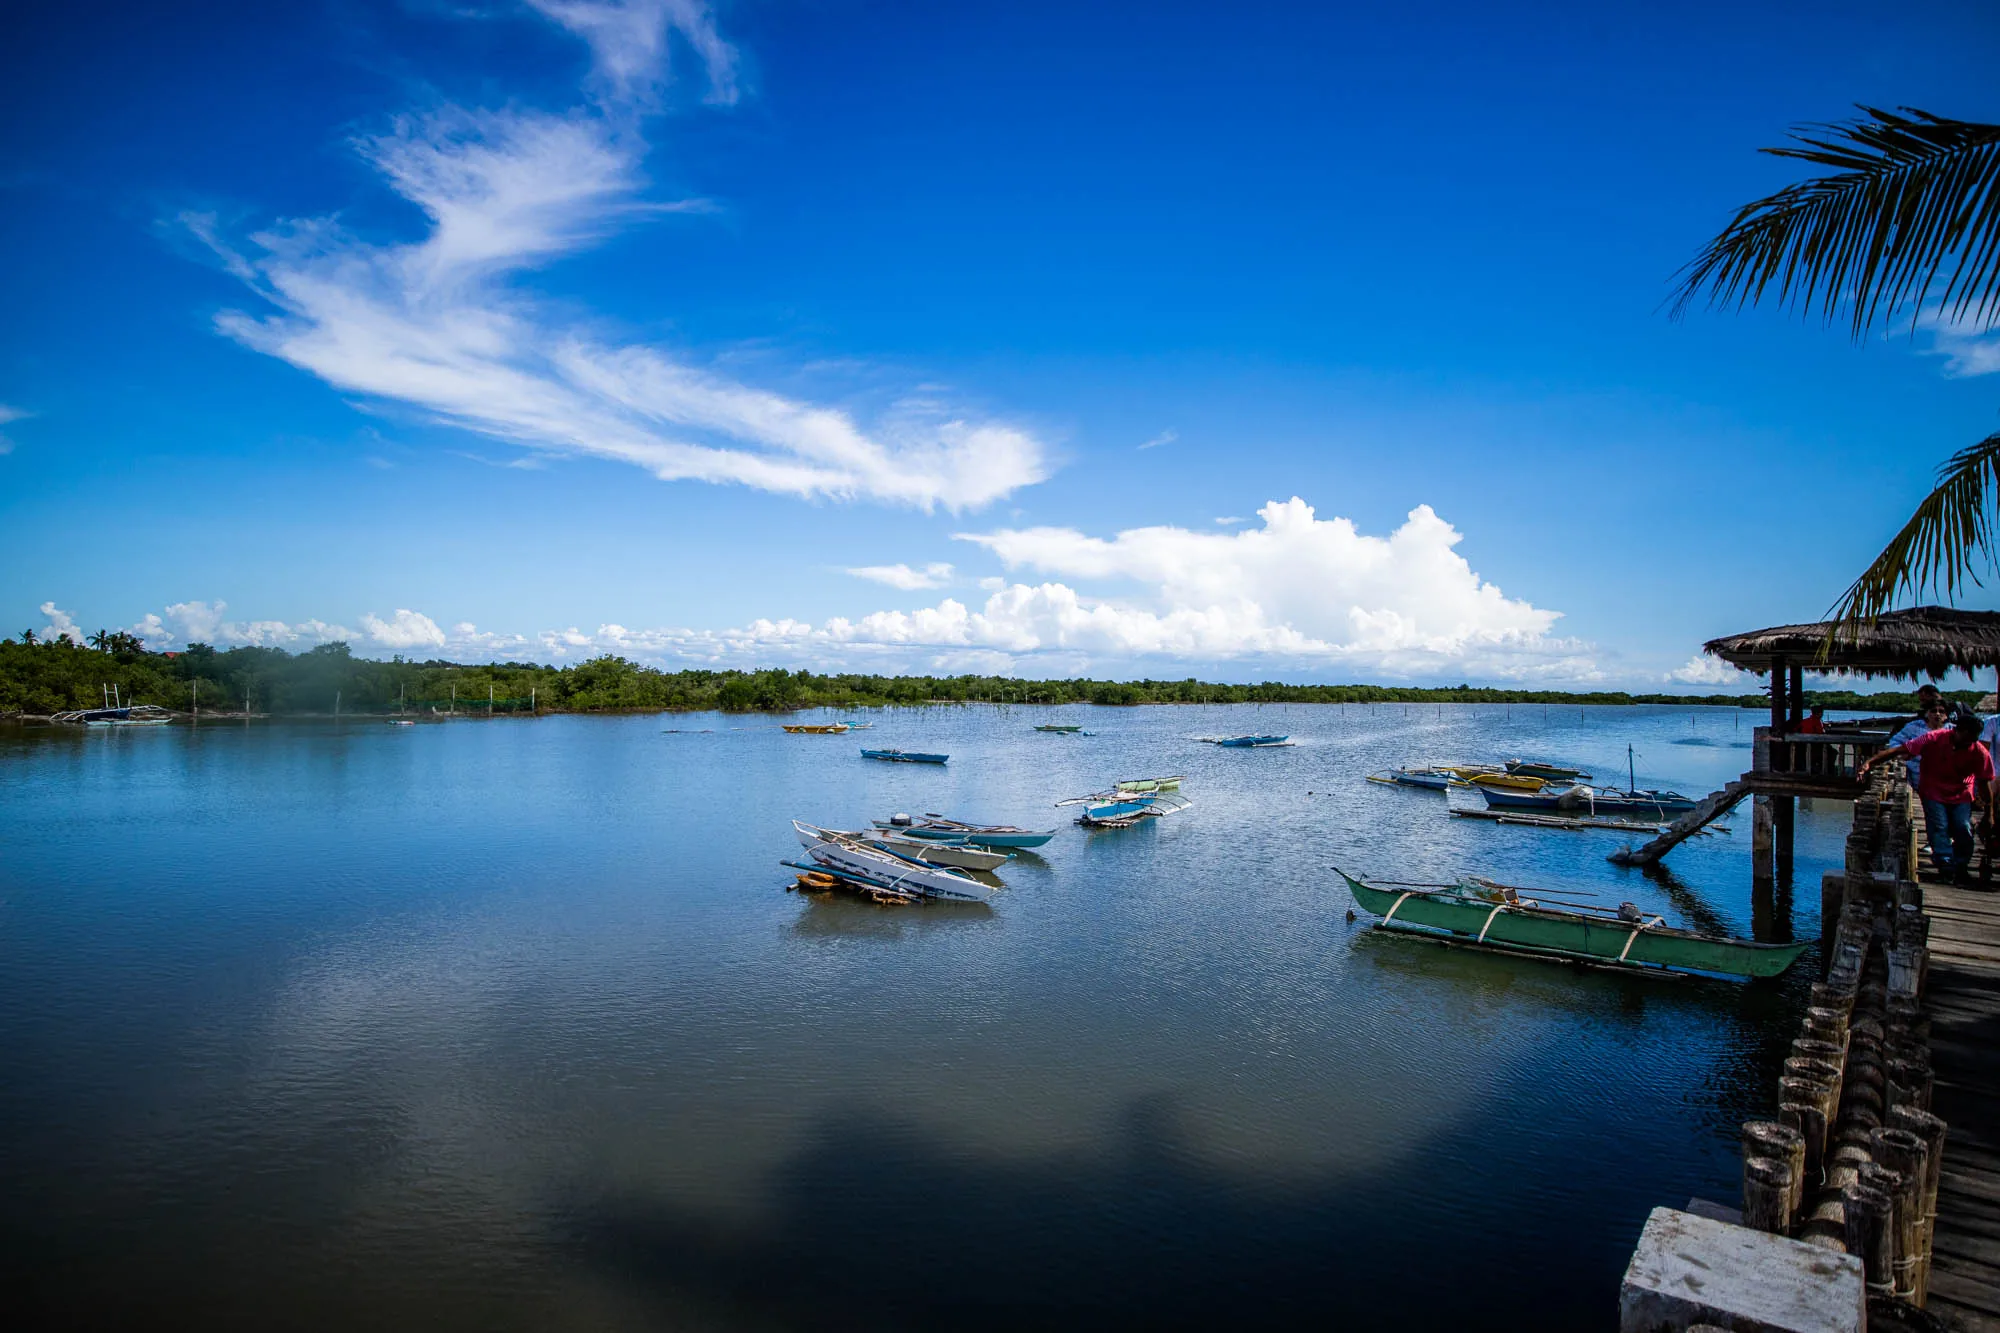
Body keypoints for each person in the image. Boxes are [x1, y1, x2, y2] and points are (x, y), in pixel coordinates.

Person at [1860, 709, 1995, 882]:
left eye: (1974, 738)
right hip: (1933, 790)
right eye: (1968, 737)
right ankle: (1945, 864)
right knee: (1939, 826)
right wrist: (1869, 763)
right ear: (1957, 731)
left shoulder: (1979, 752)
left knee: (1963, 826)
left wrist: (1989, 813)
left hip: (1961, 793)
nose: (1971, 741)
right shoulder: (1933, 738)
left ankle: (1961, 864)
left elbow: (1984, 783)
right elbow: (1899, 750)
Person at [1889, 703, 1952, 788]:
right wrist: (1902, 753)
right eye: (1933, 711)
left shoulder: (1953, 730)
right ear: (1927, 713)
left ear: (1946, 715)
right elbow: (1895, 741)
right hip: (1917, 775)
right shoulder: (1914, 727)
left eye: (1941, 711)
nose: (1937, 714)